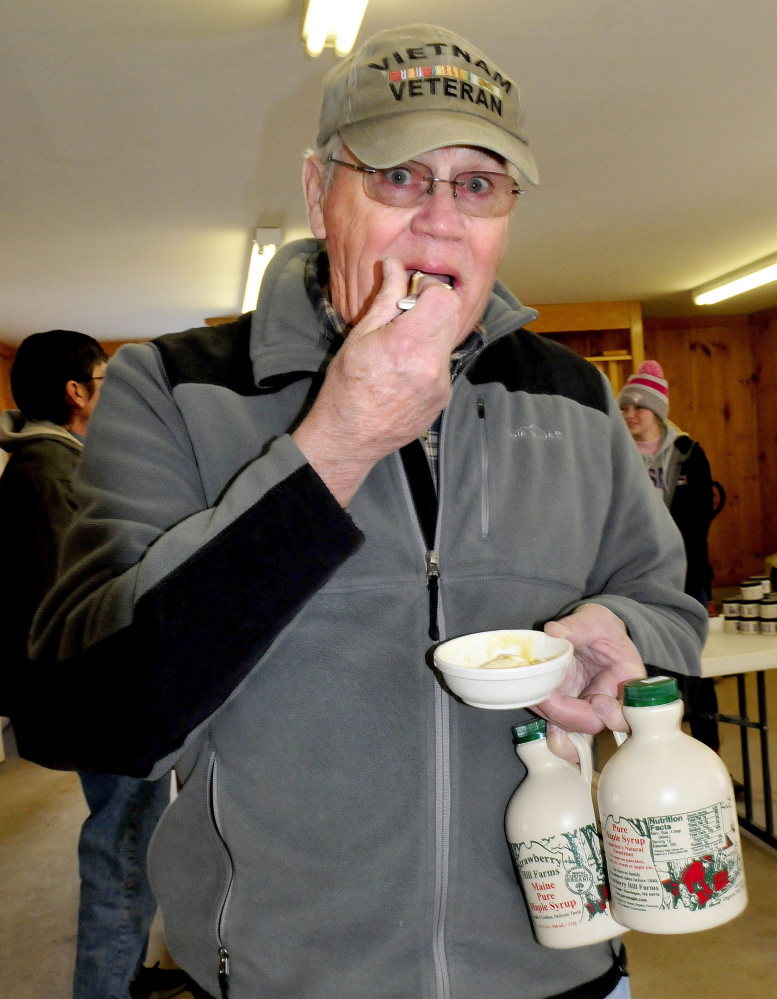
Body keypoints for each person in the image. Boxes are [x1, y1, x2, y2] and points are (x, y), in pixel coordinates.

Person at [23, 26, 706, 999]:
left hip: (567, 972)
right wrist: (332, 448)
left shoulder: (574, 400)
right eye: (398, 175)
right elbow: (84, 716)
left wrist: (618, 629)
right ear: (318, 194)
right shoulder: (173, 388)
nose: (440, 219)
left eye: (477, 184)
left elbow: (668, 602)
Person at [0, 331, 186, 999]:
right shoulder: (44, 474)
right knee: (122, 853)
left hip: (106, 703)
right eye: (106, 383)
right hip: (105, 709)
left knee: (132, 844)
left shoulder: (58, 467)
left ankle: (125, 968)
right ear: (78, 393)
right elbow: (69, 617)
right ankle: (106, 986)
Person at [618, 360, 719, 750]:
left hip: (687, 576)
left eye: (638, 407)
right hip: (632, 577)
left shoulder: (688, 453)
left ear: (657, 412)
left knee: (694, 665)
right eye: (624, 407)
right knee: (645, 666)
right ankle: (653, 751)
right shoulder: (616, 451)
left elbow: (698, 519)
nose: (629, 415)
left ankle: (708, 750)